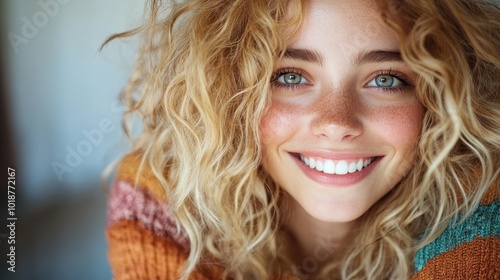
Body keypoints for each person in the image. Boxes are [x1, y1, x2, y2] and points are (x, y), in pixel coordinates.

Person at [104, 0, 499, 279]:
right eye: (290, 76)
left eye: (386, 79)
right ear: (226, 93)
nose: (336, 122)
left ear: (444, 98)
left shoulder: (483, 201)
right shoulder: (165, 198)